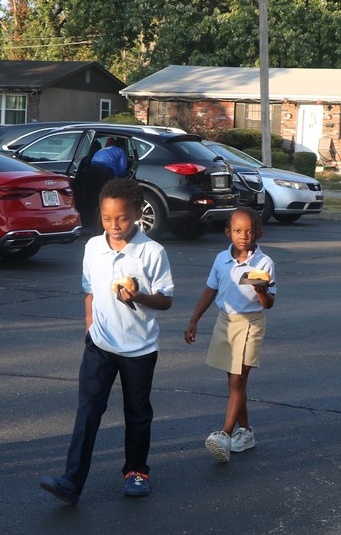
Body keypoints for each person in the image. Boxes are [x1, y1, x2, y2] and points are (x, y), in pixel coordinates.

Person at [39, 178, 174, 505]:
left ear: (138, 214)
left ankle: (137, 471)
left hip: (139, 348)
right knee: (88, 411)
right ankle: (71, 481)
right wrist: (89, 327)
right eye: (107, 217)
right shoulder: (93, 248)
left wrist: (139, 295)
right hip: (99, 344)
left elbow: (166, 300)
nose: (114, 225)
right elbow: (90, 291)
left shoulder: (152, 252)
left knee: (138, 413)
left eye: (123, 218)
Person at [184, 208, 275, 463]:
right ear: (228, 233)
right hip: (225, 322)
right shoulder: (220, 260)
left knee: (238, 381)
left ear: (259, 233)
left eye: (249, 231)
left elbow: (268, 303)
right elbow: (210, 290)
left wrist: (261, 291)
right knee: (235, 382)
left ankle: (224, 434)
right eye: (237, 231)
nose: (243, 236)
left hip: (250, 324)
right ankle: (245, 432)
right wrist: (193, 321)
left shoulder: (264, 263)